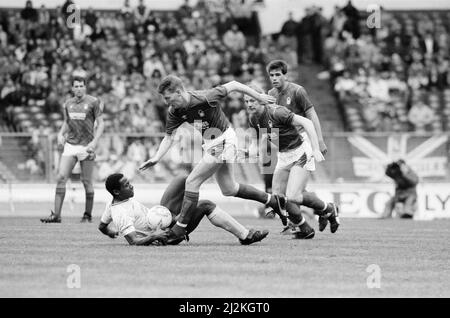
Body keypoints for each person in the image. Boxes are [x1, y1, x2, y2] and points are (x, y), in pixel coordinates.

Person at [139, 75, 287, 243]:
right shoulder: (175, 111)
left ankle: (179, 228)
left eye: (168, 98)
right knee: (229, 188)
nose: (167, 102)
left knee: (192, 181)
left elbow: (233, 84)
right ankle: (272, 200)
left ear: (179, 92)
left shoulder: (205, 97)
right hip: (211, 143)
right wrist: (156, 157)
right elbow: (169, 137)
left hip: (224, 139)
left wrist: (258, 96)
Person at [244, 85, 340, 238]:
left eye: (252, 100)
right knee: (277, 198)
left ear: (261, 99)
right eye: (246, 101)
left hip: (300, 152)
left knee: (293, 196)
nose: (249, 104)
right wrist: (247, 152)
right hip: (284, 156)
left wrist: (316, 148)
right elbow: (256, 143)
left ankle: (328, 208)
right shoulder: (253, 118)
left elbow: (307, 123)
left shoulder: (277, 111)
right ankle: (304, 228)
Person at [98, 173, 269, 246]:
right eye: (127, 185)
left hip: (160, 220)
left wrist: (109, 232)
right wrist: (155, 235)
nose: (131, 186)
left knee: (183, 179)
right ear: (116, 191)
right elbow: (133, 241)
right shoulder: (121, 213)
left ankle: (181, 213)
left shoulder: (112, 204)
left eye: (129, 182)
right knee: (205, 205)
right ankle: (245, 236)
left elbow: (102, 226)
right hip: (163, 236)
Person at [266, 60, 330, 231]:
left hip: (303, 140)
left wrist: (320, 140)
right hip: (286, 146)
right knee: (291, 191)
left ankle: (307, 218)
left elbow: (311, 115)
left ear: (285, 75)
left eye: (278, 74)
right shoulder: (270, 94)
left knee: (293, 193)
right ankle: (323, 210)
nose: (274, 78)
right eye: (271, 75)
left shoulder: (297, 91)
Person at [41, 77, 104, 223]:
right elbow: (67, 122)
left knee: (86, 182)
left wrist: (94, 142)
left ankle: (87, 215)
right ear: (72, 88)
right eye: (76, 86)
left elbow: (101, 124)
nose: (79, 88)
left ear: (85, 87)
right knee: (61, 177)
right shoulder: (68, 103)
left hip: (87, 147)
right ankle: (56, 216)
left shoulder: (93, 102)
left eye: (81, 85)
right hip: (70, 145)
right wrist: (59, 134)